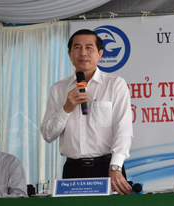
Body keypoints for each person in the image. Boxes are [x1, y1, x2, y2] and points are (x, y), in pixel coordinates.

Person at [40, 29, 133, 195]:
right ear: (69, 53)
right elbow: (48, 135)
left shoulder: (115, 84)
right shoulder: (58, 89)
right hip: (73, 171)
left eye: (89, 47)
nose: (83, 53)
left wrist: (115, 167)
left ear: (100, 53)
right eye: (77, 47)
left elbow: (124, 130)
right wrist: (66, 109)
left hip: (108, 169)